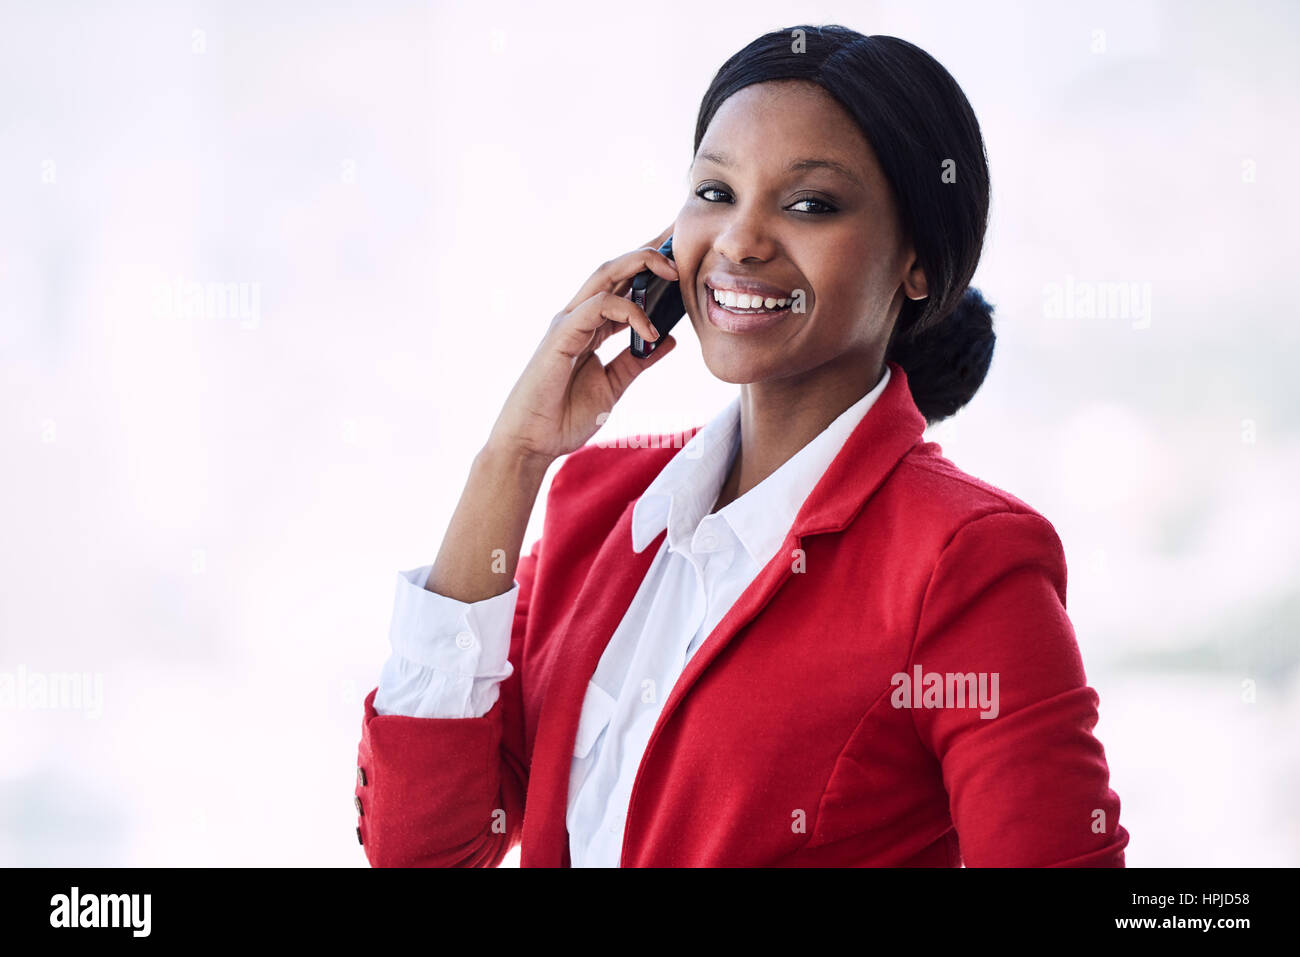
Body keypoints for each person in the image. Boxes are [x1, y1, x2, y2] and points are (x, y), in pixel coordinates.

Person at [352, 24, 1129, 867]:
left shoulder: (965, 562)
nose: (742, 241)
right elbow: (423, 847)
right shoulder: (600, 507)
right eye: (715, 192)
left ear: (916, 263)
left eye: (809, 205)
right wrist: (515, 456)